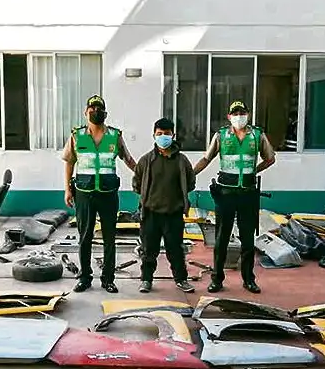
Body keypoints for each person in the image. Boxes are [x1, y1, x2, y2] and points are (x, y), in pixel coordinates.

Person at [193, 101, 276, 294]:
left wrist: (254, 171)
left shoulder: (257, 135)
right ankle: (217, 279)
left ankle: (249, 279)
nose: (239, 116)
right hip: (226, 194)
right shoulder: (221, 135)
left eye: (242, 112)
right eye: (235, 113)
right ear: (229, 117)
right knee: (221, 239)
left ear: (247, 114)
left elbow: (270, 158)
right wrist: (190, 174)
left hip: (248, 194)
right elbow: (206, 158)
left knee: (248, 240)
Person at [62, 94, 137, 293]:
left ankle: (108, 279)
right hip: (84, 193)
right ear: (86, 112)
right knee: (84, 237)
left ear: (105, 113)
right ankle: (85, 278)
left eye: (99, 109)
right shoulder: (76, 136)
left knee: (109, 238)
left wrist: (143, 174)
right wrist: (67, 189)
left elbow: (128, 159)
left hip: (108, 194)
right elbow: (70, 162)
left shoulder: (115, 135)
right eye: (92, 109)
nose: (96, 112)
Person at [132, 118, 196, 294]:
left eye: (166, 134)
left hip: (174, 214)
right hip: (151, 214)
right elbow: (136, 183)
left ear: (173, 135)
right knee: (148, 250)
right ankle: (146, 280)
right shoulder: (146, 161)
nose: (163, 137)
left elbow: (190, 182)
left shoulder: (182, 161)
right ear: (154, 135)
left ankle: (181, 280)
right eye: (159, 134)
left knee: (175, 250)